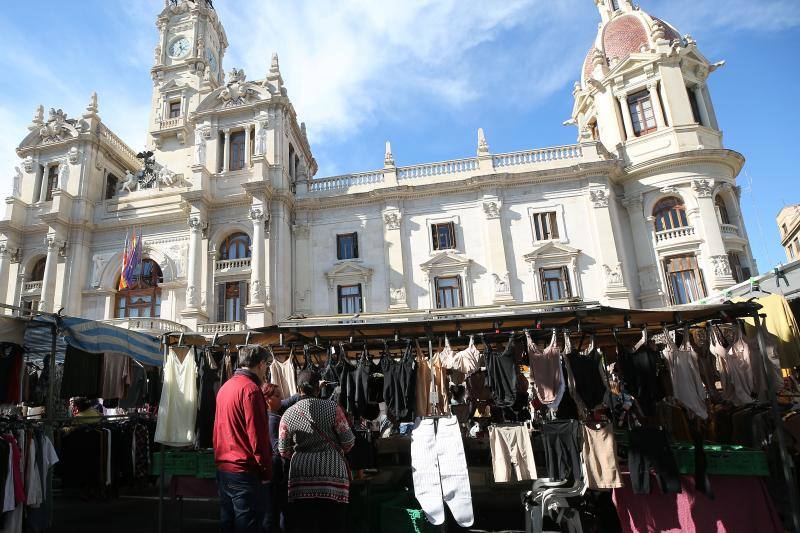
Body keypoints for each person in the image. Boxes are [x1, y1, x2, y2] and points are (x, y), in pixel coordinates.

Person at [278, 370, 355, 533]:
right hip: (333, 479)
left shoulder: (288, 414)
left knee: (306, 525)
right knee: (333, 525)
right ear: (318, 388)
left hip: (301, 480)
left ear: (298, 389)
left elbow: (283, 450)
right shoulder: (333, 408)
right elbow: (348, 442)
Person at [213, 346, 272, 533]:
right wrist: (266, 472)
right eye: (267, 366)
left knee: (228, 524)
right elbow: (258, 438)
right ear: (261, 364)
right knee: (247, 525)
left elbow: (217, 430)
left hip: (225, 468)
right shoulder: (251, 390)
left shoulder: (226, 387)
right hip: (244, 472)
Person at [261, 383, 300, 533]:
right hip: (276, 473)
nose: (280, 399)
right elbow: (279, 449)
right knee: (275, 511)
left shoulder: (269, 416)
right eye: (277, 396)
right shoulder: (273, 420)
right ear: (267, 400)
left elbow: (286, 402)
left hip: (271, 473)